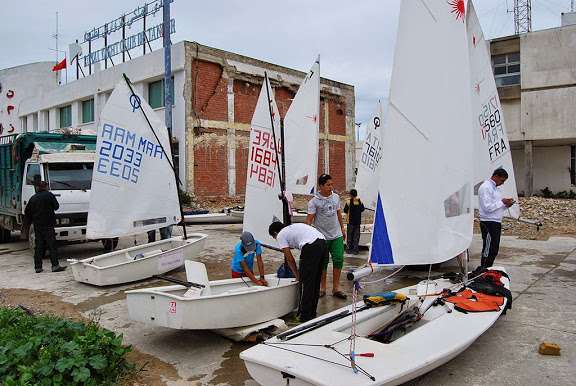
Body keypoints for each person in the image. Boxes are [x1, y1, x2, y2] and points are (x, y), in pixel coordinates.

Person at [269, 221, 327, 322]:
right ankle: (312, 313)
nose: (276, 240)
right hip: (323, 243)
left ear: (275, 233)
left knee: (306, 283)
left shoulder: (280, 235)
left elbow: (290, 259)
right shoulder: (292, 228)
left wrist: (298, 275)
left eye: (274, 238)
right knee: (315, 281)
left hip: (311, 246)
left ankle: (304, 316)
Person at [306, 174, 347, 299]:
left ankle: (336, 288)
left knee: (339, 259)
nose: (331, 187)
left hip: (336, 235)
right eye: (328, 185)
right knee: (322, 263)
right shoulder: (314, 202)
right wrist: (306, 236)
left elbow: (339, 213)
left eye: (331, 184)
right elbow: (309, 221)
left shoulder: (336, 197)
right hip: (321, 237)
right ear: (321, 186)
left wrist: (342, 228)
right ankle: (322, 288)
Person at [24, 181, 66, 273]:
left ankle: (38, 267)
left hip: (38, 226)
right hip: (49, 224)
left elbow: (27, 212)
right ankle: (55, 266)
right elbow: (56, 207)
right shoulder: (49, 195)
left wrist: (34, 219)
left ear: (38, 188)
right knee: (52, 245)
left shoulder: (33, 198)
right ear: (46, 187)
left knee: (39, 246)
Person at [478, 168, 515, 269]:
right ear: (496, 176)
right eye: (502, 180)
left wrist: (506, 205)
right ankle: (484, 269)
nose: (502, 183)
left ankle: (488, 268)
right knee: (488, 248)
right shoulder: (486, 187)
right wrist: (502, 202)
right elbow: (487, 207)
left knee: (494, 248)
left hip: (495, 221)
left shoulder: (496, 189)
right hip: (488, 222)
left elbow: (495, 207)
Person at [343, 189, 365, 254]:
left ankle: (349, 249)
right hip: (357, 222)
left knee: (349, 236)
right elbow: (362, 209)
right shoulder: (359, 201)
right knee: (356, 236)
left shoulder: (348, 202)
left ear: (350, 195)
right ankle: (355, 250)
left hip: (350, 222)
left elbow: (345, 210)